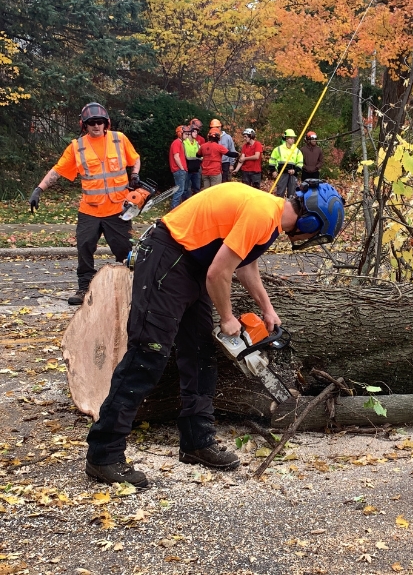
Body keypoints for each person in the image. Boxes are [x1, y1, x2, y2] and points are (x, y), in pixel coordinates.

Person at [85, 179, 346, 487]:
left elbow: (244, 266)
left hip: (190, 263)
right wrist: (227, 318)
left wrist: (268, 309)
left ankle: (197, 440)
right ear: (313, 221)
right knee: (148, 354)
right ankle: (104, 455)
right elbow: (218, 272)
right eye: (317, 234)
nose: (311, 238)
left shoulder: (269, 216)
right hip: (168, 256)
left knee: (199, 354)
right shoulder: (263, 213)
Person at [29, 102, 140, 305]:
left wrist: (135, 175)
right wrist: (39, 189)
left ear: (106, 123)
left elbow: (135, 158)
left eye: (99, 122)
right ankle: (85, 287)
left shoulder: (119, 139)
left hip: (118, 209)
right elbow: (58, 170)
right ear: (84, 125)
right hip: (90, 209)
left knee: (124, 249)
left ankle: (130, 285)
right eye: (91, 123)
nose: (96, 126)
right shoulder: (77, 147)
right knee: (84, 246)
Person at [269, 129, 304, 197]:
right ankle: (279, 207)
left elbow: (300, 164)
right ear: (286, 139)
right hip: (282, 174)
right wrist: (273, 171)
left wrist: (295, 170)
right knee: (280, 193)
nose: (293, 140)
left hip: (293, 175)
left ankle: (290, 207)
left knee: (292, 194)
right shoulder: (278, 149)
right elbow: (272, 161)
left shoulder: (297, 151)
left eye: (293, 138)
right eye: (291, 138)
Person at [169, 125, 191, 208]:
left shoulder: (180, 142)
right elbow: (176, 156)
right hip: (179, 170)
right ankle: (174, 208)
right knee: (179, 190)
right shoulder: (177, 142)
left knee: (181, 189)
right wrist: (182, 168)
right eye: (186, 133)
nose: (187, 135)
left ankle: (177, 207)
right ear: (180, 134)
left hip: (181, 170)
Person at [212, 119, 236, 183]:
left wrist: (231, 164)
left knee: (224, 181)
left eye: (217, 127)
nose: (215, 129)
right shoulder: (211, 137)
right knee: (216, 182)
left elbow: (232, 150)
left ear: (220, 127)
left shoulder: (228, 137)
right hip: (215, 163)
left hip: (225, 163)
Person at [186, 125, 204, 195]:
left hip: (196, 168)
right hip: (187, 168)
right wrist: (197, 158)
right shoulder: (184, 142)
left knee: (197, 188)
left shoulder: (196, 143)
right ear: (189, 132)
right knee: (187, 188)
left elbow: (201, 156)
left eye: (197, 131)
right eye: (194, 131)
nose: (196, 133)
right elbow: (186, 156)